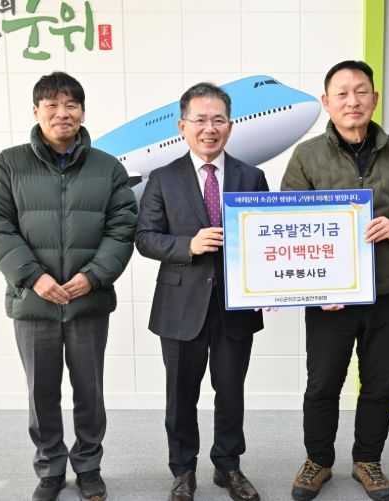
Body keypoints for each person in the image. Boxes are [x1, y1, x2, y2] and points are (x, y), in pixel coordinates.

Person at [281, 60, 389, 501]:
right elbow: (287, 220)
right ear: (326, 102)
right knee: (322, 384)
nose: (353, 101)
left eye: (361, 91)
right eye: (342, 93)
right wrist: (313, 289)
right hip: (329, 296)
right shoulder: (307, 155)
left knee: (380, 384)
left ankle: (368, 460)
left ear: (375, 98)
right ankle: (318, 460)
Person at [0, 71, 137, 501]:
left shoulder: (108, 168)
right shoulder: (7, 165)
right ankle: (50, 468)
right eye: (51, 105)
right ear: (36, 111)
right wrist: (34, 277)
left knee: (90, 392)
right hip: (33, 303)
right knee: (41, 393)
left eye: (71, 105)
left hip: (88, 301)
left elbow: (123, 228)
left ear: (83, 112)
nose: (62, 113)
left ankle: (88, 467)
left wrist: (93, 277)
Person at [135, 82, 269, 501]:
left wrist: (271, 287)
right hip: (180, 305)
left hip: (236, 305)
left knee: (230, 393)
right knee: (181, 396)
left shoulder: (251, 176)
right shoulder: (163, 178)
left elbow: (265, 239)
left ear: (230, 125)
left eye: (218, 120)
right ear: (183, 126)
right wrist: (187, 245)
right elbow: (144, 238)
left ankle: (228, 466)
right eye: (200, 120)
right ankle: (183, 470)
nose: (209, 128)